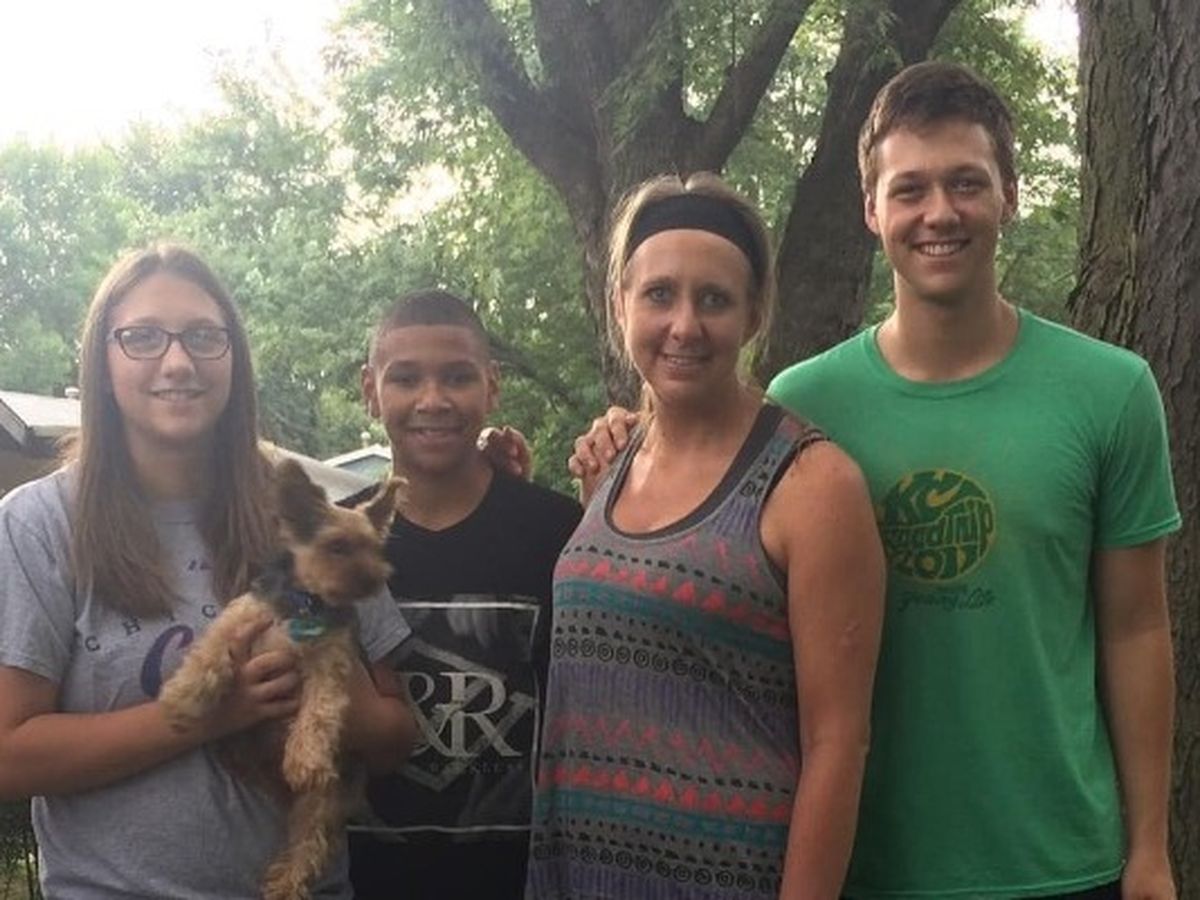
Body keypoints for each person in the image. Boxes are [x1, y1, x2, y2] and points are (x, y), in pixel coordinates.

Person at [573, 62, 1181, 900]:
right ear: (870, 209)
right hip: (861, 866)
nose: (940, 213)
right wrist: (620, 445)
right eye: (910, 189)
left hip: (1061, 860)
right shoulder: (803, 404)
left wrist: (1149, 851)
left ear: (1009, 194)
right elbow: (695, 515)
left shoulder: (1110, 391)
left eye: (967, 183)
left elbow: (1136, 630)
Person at [0, 244, 415, 899]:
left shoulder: (310, 515)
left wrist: (332, 691)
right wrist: (215, 715)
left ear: (234, 359)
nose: (177, 362)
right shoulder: (38, 524)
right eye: (142, 337)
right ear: (101, 363)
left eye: (203, 336)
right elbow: (9, 755)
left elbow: (397, 739)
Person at [525, 173, 885, 900]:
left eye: (714, 299)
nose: (684, 326)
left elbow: (838, 745)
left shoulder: (811, 485)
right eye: (659, 294)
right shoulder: (610, 463)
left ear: (754, 314)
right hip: (580, 874)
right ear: (620, 301)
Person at [347, 289, 583, 900]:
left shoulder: (558, 534)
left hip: (521, 881)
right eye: (406, 379)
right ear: (371, 389)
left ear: (491, 385)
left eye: (457, 376)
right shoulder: (333, 545)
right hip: (362, 880)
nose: (433, 400)